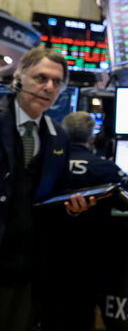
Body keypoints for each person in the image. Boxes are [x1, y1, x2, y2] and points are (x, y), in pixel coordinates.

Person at [0, 47, 92, 331]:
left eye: (57, 82)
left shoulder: (58, 135)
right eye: (41, 77)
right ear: (20, 77)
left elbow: (57, 192)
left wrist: (73, 209)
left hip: (30, 263)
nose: (49, 87)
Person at [39, 111, 128, 331]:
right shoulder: (104, 168)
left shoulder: (48, 163)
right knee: (83, 312)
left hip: (51, 252)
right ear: (91, 137)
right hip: (92, 254)